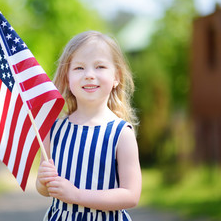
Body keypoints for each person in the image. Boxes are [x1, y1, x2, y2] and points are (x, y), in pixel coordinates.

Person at [36, 31, 142, 220]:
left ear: (116, 76)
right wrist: (43, 181)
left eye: (100, 66)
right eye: (79, 68)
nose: (89, 75)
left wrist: (77, 195)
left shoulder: (120, 134)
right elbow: (43, 189)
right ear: (67, 78)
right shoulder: (54, 131)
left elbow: (131, 195)